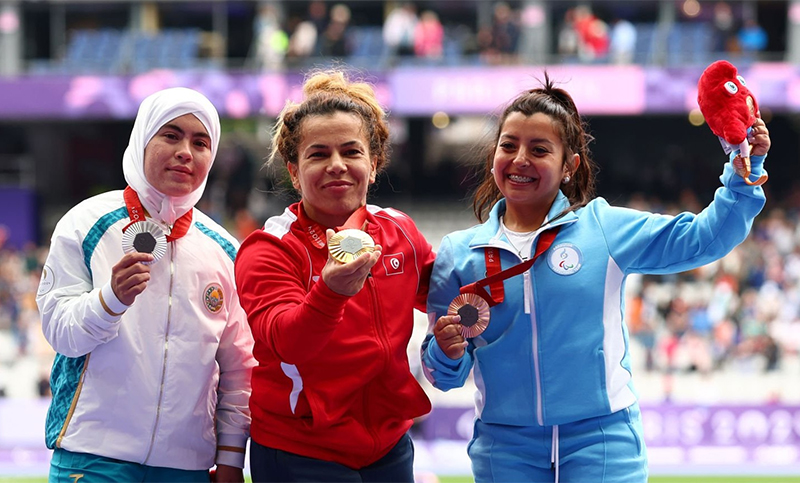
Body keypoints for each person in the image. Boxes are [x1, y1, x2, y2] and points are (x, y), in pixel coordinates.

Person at [421, 74, 769, 482]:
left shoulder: (604, 229)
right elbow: (444, 377)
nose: (519, 160)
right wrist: (444, 352)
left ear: (570, 165)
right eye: (509, 145)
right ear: (493, 155)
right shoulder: (458, 254)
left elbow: (704, 239)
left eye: (539, 149)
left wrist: (744, 168)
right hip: (505, 448)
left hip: (603, 441)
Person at [36, 87, 256, 482]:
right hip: (92, 457)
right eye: (171, 136)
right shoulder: (85, 224)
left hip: (185, 466)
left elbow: (239, 370)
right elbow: (60, 334)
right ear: (142, 140)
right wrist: (110, 300)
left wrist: (231, 458)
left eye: (200, 142)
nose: (186, 151)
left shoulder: (226, 250)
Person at [234, 70, 435, 482]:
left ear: (374, 164)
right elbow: (287, 344)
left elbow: (450, 293)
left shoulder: (400, 231)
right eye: (318, 154)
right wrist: (329, 293)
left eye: (351, 151)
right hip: (300, 449)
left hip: (388, 445)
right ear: (294, 171)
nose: (337, 165)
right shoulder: (269, 248)